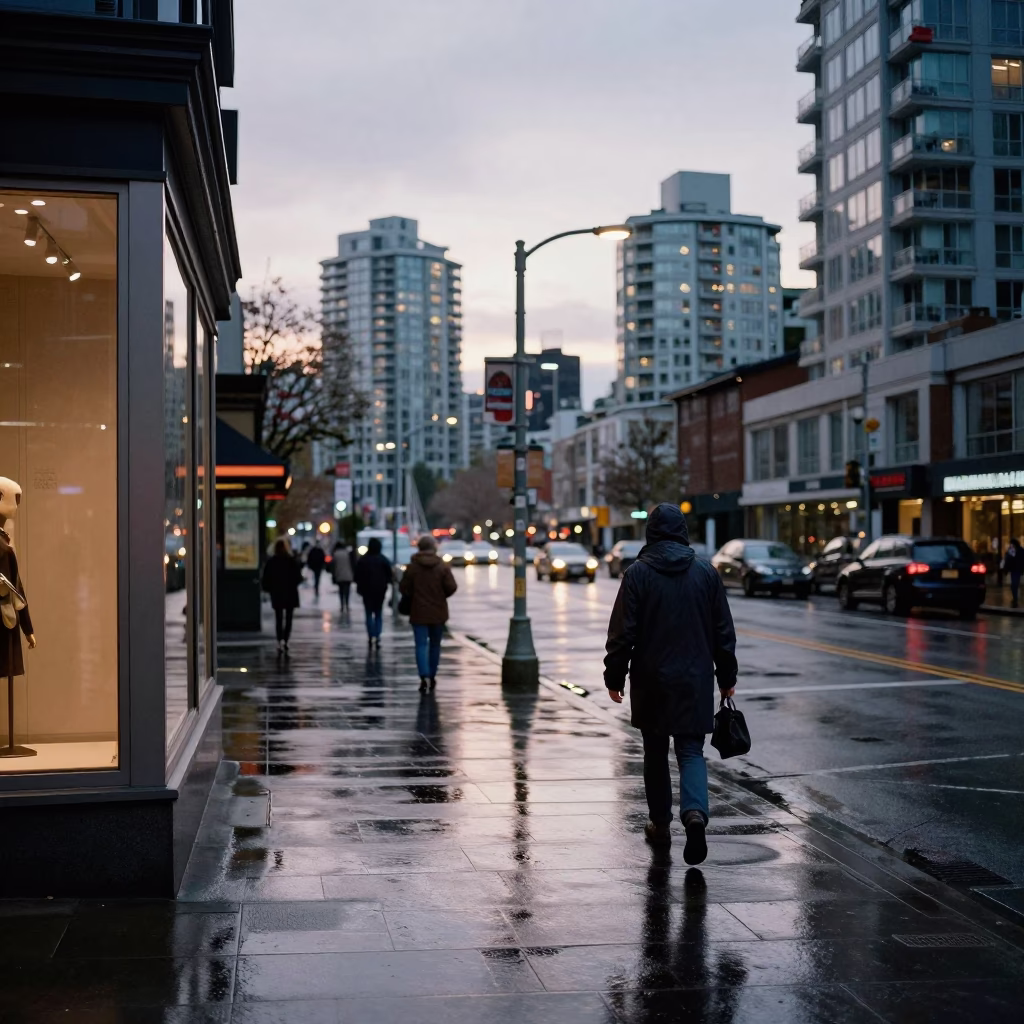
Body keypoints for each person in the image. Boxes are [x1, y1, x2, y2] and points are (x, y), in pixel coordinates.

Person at [604, 503, 738, 865]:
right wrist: (727, 678)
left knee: (655, 751)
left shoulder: (637, 574)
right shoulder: (706, 574)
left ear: (651, 533)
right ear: (682, 532)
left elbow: (621, 634)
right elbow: (723, 633)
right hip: (694, 679)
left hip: (651, 679)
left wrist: (614, 677)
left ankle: (660, 824)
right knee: (691, 751)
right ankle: (694, 814)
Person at [400, 535, 458, 692]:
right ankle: (432, 675)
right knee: (435, 645)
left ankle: (423, 675)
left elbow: (403, 588)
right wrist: (440, 595)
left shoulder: (413, 567)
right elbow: (452, 587)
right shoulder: (442, 566)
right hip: (438, 612)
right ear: (434, 547)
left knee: (420, 644)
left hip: (418, 611)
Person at [262, 539, 303, 653]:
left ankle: (279, 640)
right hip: (290, 593)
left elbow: (266, 578)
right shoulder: (291, 561)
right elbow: (298, 577)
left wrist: (269, 588)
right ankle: (286, 639)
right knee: (289, 618)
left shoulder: (272, 561)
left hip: (277, 593)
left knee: (278, 618)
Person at [353, 536, 392, 647]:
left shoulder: (363, 560)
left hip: (367, 590)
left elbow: (357, 575)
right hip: (380, 590)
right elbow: (389, 575)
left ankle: (370, 635)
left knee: (368, 613)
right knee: (378, 613)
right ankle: (377, 635)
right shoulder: (383, 559)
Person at [331, 540, 355, 612]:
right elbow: (352, 564)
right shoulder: (347, 553)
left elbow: (333, 566)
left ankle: (342, 605)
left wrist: (334, 575)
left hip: (339, 574)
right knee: (347, 591)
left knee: (341, 591)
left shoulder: (335, 554)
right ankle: (347, 605)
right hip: (348, 575)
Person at [1002, 537, 1024, 609]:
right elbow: (1008, 560)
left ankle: (1015, 598)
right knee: (1014, 584)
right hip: (1015, 570)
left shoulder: (1017, 550)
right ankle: (1015, 598)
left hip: (1016, 570)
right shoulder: (1014, 550)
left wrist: (1006, 569)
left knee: (1014, 584)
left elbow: (1008, 560)